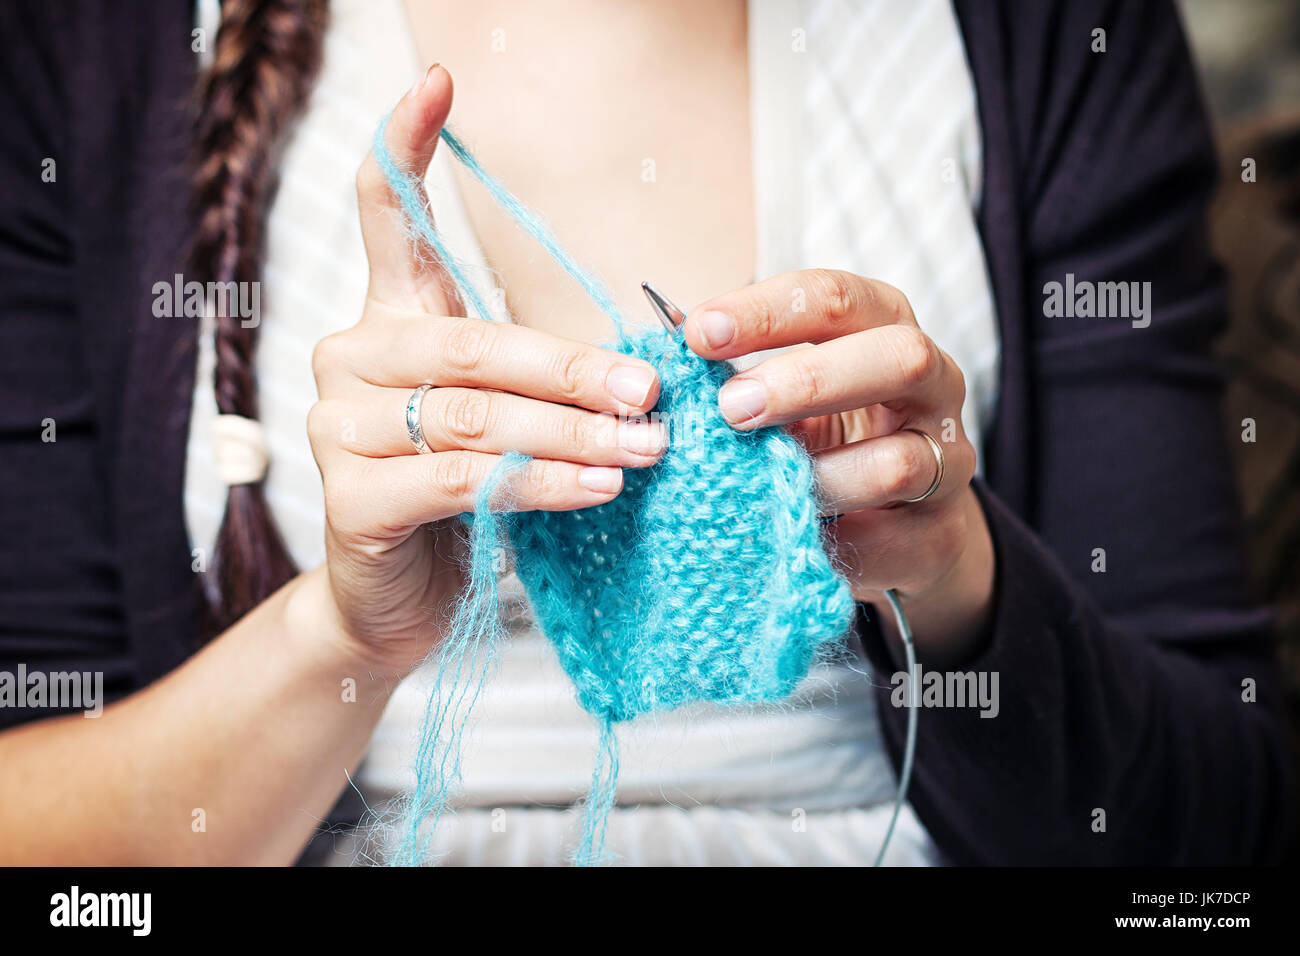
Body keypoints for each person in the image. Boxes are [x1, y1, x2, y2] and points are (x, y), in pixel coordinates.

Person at [0, 0, 1290, 865]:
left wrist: (960, 581)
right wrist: (347, 636)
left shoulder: (1045, 32)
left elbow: (1224, 841)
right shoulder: (94, 43)